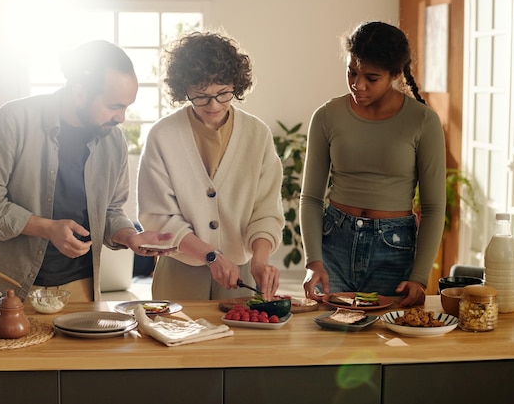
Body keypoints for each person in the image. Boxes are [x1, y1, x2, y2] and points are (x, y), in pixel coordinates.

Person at [0, 40, 173, 302]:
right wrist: (47, 228)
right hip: (6, 285)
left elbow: (110, 211)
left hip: (79, 287)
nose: (121, 118)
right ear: (80, 93)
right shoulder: (13, 120)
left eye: (126, 107)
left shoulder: (113, 141)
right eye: (114, 106)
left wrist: (130, 237)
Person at [300, 21, 446, 307]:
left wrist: (419, 277)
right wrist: (313, 260)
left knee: (386, 342)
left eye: (371, 77)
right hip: (334, 244)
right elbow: (311, 198)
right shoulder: (327, 116)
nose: (358, 84)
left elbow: (433, 208)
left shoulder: (423, 122)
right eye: (351, 72)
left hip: (393, 248)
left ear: (395, 74)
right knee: (332, 339)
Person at [137, 31, 284, 301]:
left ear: (236, 85)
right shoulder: (163, 135)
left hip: (241, 272)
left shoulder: (256, 134)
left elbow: (266, 211)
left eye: (223, 93)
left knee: (239, 342)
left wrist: (260, 260)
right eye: (201, 96)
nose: (214, 105)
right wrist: (209, 254)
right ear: (184, 89)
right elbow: (157, 215)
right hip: (181, 269)